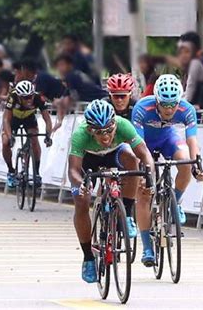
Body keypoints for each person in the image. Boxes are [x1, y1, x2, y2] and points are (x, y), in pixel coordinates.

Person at [68, 100, 154, 282]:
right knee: (81, 202)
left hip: (114, 154)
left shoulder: (124, 126)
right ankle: (88, 257)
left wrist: (149, 177)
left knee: (132, 159)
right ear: (90, 130)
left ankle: (127, 214)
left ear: (115, 123)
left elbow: (145, 154)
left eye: (109, 130)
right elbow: (73, 170)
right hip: (88, 160)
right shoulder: (80, 135)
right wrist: (81, 184)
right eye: (99, 132)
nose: (105, 136)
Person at [132, 74, 203, 265]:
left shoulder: (186, 109)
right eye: (165, 104)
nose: (170, 109)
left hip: (168, 139)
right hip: (144, 144)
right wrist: (144, 171)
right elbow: (138, 145)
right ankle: (147, 248)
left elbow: (192, 141)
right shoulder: (142, 108)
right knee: (145, 192)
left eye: (173, 104)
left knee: (185, 163)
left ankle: (175, 202)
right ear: (157, 100)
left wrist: (197, 165)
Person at [2, 80, 52, 189]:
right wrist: (10, 136)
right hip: (13, 119)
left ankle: (37, 173)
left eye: (30, 96)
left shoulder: (38, 98)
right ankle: (11, 172)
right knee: (5, 142)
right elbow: (6, 119)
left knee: (34, 139)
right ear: (19, 97)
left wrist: (48, 135)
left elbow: (47, 119)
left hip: (28, 119)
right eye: (25, 98)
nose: (29, 100)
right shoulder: (13, 97)